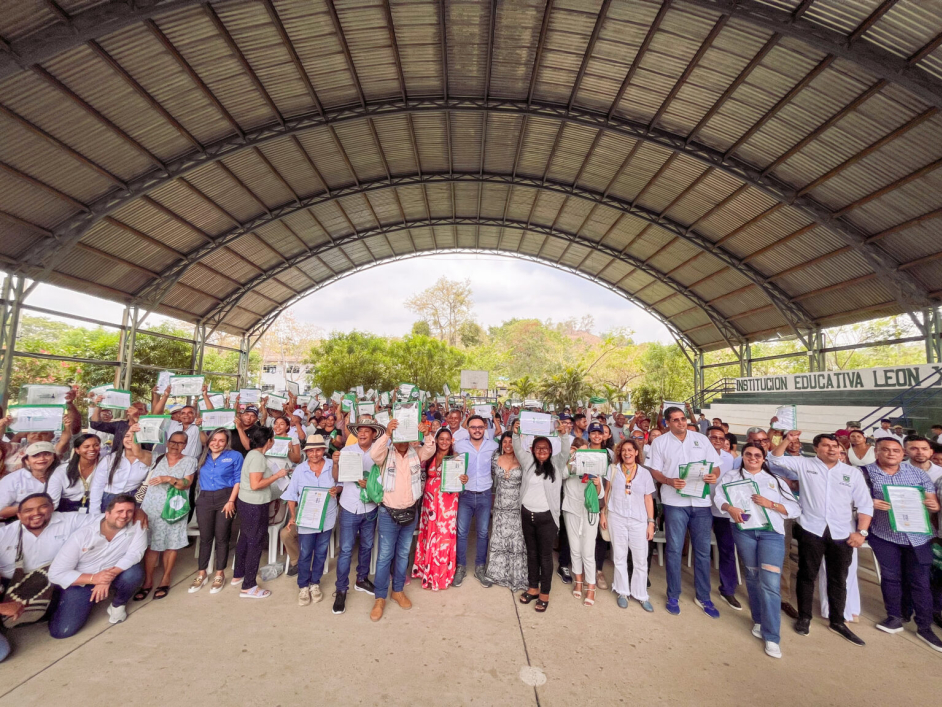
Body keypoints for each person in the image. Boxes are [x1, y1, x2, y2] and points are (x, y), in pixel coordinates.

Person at [768, 430, 873, 646]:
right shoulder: (804, 465)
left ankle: (838, 620)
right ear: (816, 449)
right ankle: (804, 617)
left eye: (835, 446)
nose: (832, 449)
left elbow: (865, 504)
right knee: (807, 575)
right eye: (826, 446)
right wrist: (788, 439)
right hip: (811, 529)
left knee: (838, 578)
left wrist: (861, 532)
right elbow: (774, 458)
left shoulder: (851, 473)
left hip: (842, 533)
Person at [0, 493, 124, 660]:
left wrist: (138, 513)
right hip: (18, 586)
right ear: (19, 515)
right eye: (28, 510)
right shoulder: (5, 533)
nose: (36, 513)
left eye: (42, 507)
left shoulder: (70, 520)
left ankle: (50, 608)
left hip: (64, 581)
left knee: (63, 631)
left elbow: (112, 518)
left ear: (52, 507)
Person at [715, 443, 800, 659]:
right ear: (742, 456)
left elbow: (794, 509)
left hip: (771, 533)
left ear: (764, 459)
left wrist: (770, 504)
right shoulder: (731, 476)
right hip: (744, 531)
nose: (752, 458)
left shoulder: (776, 481)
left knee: (770, 583)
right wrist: (729, 508)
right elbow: (718, 497)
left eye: (757, 455)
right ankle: (759, 620)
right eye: (748, 454)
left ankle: (772, 636)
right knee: (752, 576)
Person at [861, 438, 942, 651]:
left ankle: (924, 627)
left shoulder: (917, 474)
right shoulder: (863, 473)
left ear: (902, 453)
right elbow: (850, 498)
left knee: (920, 581)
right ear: (876, 452)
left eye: (896, 450)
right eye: (885, 450)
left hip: (918, 536)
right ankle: (894, 617)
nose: (891, 453)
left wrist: (933, 505)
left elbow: (931, 502)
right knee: (891, 577)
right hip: (885, 535)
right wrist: (869, 503)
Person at [648, 406, 722, 617]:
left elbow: (715, 466)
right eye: (676, 420)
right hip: (674, 503)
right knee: (673, 550)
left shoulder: (701, 439)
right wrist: (669, 481)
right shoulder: (660, 443)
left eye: (682, 419)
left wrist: (713, 476)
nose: (681, 423)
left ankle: (704, 597)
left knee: (702, 551)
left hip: (701, 503)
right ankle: (673, 594)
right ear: (667, 423)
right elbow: (655, 470)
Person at [47, 494, 147, 637]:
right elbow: (55, 573)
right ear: (107, 514)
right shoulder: (82, 535)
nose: (124, 516)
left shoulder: (138, 526)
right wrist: (95, 579)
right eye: (120, 511)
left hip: (112, 572)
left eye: (129, 511)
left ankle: (118, 604)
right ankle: (59, 602)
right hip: (83, 579)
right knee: (62, 632)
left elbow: (135, 554)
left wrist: (106, 578)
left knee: (134, 573)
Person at [368, 418, 434, 621]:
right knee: (385, 556)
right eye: (399, 437)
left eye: (406, 436)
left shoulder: (416, 453)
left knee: (403, 554)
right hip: (388, 513)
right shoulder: (386, 455)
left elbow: (430, 449)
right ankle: (380, 597)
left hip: (409, 512)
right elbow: (373, 453)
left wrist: (426, 433)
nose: (403, 441)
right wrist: (387, 433)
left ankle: (397, 590)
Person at [135, 431, 196, 601]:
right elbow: (136, 451)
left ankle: (165, 578)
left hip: (174, 508)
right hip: (152, 507)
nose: (176, 446)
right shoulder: (156, 457)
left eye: (181, 443)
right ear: (167, 442)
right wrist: (134, 431)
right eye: (173, 442)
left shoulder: (190, 461)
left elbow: (186, 484)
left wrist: (168, 478)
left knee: (172, 544)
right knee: (152, 545)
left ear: (186, 445)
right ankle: (147, 581)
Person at [331, 417, 383, 614]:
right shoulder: (346, 452)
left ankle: (361, 579)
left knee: (367, 545)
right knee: (345, 550)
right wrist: (335, 464)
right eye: (359, 431)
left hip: (370, 507)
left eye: (366, 431)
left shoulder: (379, 454)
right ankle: (341, 589)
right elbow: (337, 478)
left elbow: (382, 480)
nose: (362, 434)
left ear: (373, 434)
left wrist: (369, 483)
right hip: (349, 506)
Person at [513, 432, 569, 612]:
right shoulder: (529, 463)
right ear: (533, 450)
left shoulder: (557, 465)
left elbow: (566, 450)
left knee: (545, 557)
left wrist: (564, 435)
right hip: (527, 515)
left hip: (547, 519)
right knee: (531, 553)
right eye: (538, 448)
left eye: (545, 448)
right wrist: (515, 434)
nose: (542, 451)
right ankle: (533, 588)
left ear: (551, 450)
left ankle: (545, 593)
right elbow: (517, 448)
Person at [282, 434, 340, 607]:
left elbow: (342, 483)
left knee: (321, 551)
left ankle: (315, 583)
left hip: (327, 516)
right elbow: (291, 496)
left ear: (324, 450)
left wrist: (337, 489)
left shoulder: (332, 465)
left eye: (318, 450)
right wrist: (293, 516)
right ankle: (303, 586)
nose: (315, 454)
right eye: (311, 450)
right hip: (306, 518)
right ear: (306, 452)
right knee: (306, 552)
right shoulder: (300, 469)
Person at [232, 425, 287, 599]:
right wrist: (277, 476)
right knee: (254, 543)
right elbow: (256, 484)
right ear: (270, 441)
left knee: (245, 539)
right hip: (255, 505)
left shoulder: (253, 455)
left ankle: (238, 574)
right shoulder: (258, 458)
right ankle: (249, 586)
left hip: (247, 502)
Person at [601, 438, 655, 611]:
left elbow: (648, 498)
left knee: (640, 558)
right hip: (616, 517)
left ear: (637, 452)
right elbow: (607, 492)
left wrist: (651, 522)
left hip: (639, 520)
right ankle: (622, 591)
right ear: (619, 453)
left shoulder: (644, 473)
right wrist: (603, 513)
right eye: (624, 450)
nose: (627, 453)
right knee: (619, 556)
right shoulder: (613, 469)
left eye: (630, 450)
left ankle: (640, 594)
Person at [189, 429, 242, 594]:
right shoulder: (203, 457)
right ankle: (202, 573)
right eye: (214, 440)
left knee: (221, 537)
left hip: (225, 498)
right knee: (205, 538)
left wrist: (231, 501)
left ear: (227, 442)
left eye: (221, 440)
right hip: (204, 499)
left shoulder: (235, 456)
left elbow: (238, 480)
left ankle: (219, 573)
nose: (216, 443)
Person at [453, 415, 500, 588]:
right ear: (468, 429)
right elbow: (451, 465)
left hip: (485, 494)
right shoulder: (459, 445)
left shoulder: (493, 446)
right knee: (462, 533)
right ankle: (461, 567)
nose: (477, 430)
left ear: (485, 427)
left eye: (480, 427)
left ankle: (480, 567)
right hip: (465, 494)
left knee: (482, 533)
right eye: (473, 427)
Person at [412, 428, 460, 590]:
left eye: (448, 439)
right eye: (442, 439)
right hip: (430, 501)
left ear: (451, 441)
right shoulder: (430, 455)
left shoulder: (456, 458)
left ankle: (441, 574)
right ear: (437, 440)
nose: (445, 442)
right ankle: (427, 571)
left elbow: (460, 479)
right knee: (430, 534)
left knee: (444, 536)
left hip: (448, 501)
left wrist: (463, 478)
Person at [560, 437, 603, 606]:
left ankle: (590, 586)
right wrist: (573, 459)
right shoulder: (569, 464)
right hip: (571, 509)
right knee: (575, 548)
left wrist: (598, 483)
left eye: (586, 451)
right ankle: (578, 580)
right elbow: (562, 475)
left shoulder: (596, 464)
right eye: (580, 451)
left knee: (588, 550)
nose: (584, 455)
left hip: (589, 511)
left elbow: (600, 495)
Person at [485, 431, 527, 591]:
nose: (508, 445)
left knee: (517, 541)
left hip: (517, 507)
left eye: (511, 442)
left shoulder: (523, 461)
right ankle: (498, 574)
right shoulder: (495, 459)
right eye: (505, 442)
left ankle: (516, 576)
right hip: (501, 508)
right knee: (500, 539)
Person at [706, 425, 741, 610]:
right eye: (713, 437)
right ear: (706, 438)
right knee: (702, 550)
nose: (717, 441)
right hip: (702, 507)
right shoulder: (697, 454)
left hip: (722, 511)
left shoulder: (731, 459)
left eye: (721, 438)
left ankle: (728, 589)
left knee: (727, 549)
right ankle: (701, 588)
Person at [88, 427, 151, 513]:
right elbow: (97, 487)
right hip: (108, 500)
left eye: (135, 436)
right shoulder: (109, 459)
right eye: (127, 436)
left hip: (132, 500)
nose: (130, 439)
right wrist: (94, 512)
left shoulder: (148, 460)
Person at [0, 442, 63, 519]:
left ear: (54, 458)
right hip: (19, 521)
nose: (42, 458)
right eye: (35, 456)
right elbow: (1, 512)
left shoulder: (62, 475)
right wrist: (30, 506)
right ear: (27, 460)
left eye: (47, 454)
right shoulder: (12, 479)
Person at [51, 434, 102, 513]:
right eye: (86, 446)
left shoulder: (104, 467)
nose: (92, 449)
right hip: (67, 510)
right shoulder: (62, 471)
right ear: (77, 450)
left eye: (96, 445)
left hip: (96, 506)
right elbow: (53, 500)